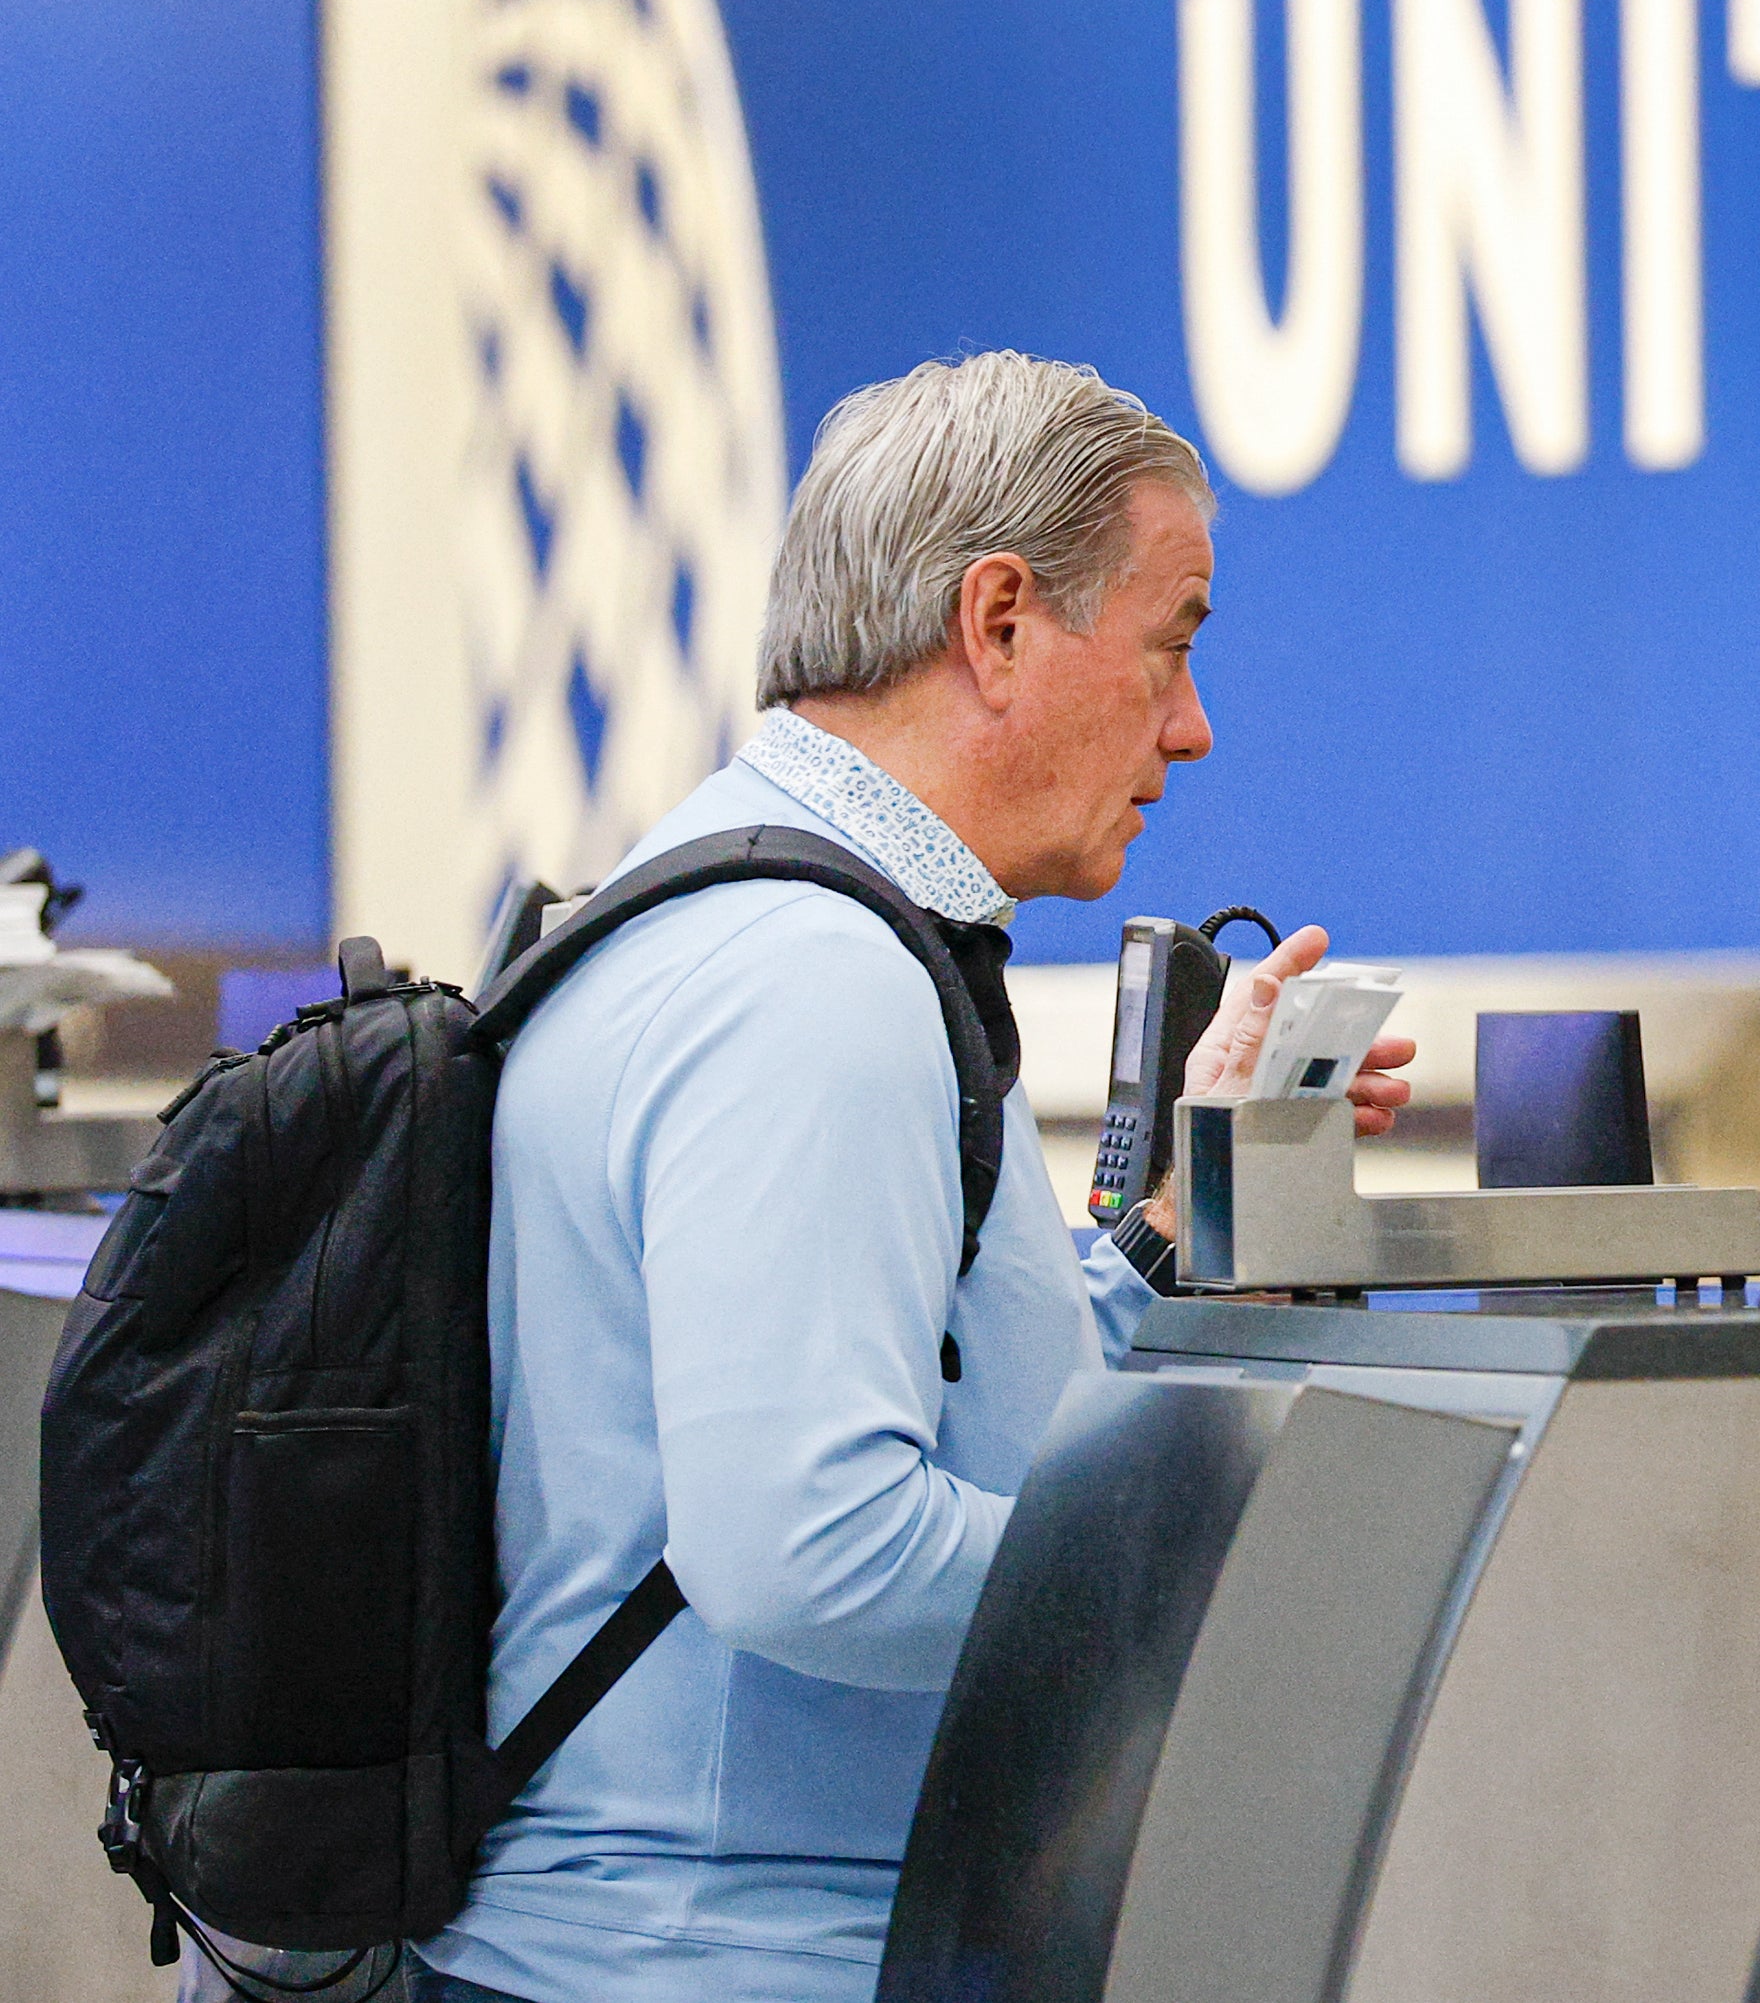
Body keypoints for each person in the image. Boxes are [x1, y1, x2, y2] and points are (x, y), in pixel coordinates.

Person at [414, 354, 1411, 2003]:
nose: (1193, 722)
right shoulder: (818, 978)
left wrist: (1167, 1220)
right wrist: (1224, 1577)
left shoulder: (737, 909)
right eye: (1171, 641)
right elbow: (805, 1546)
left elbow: (931, 1400)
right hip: (709, 1962)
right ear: (1001, 619)